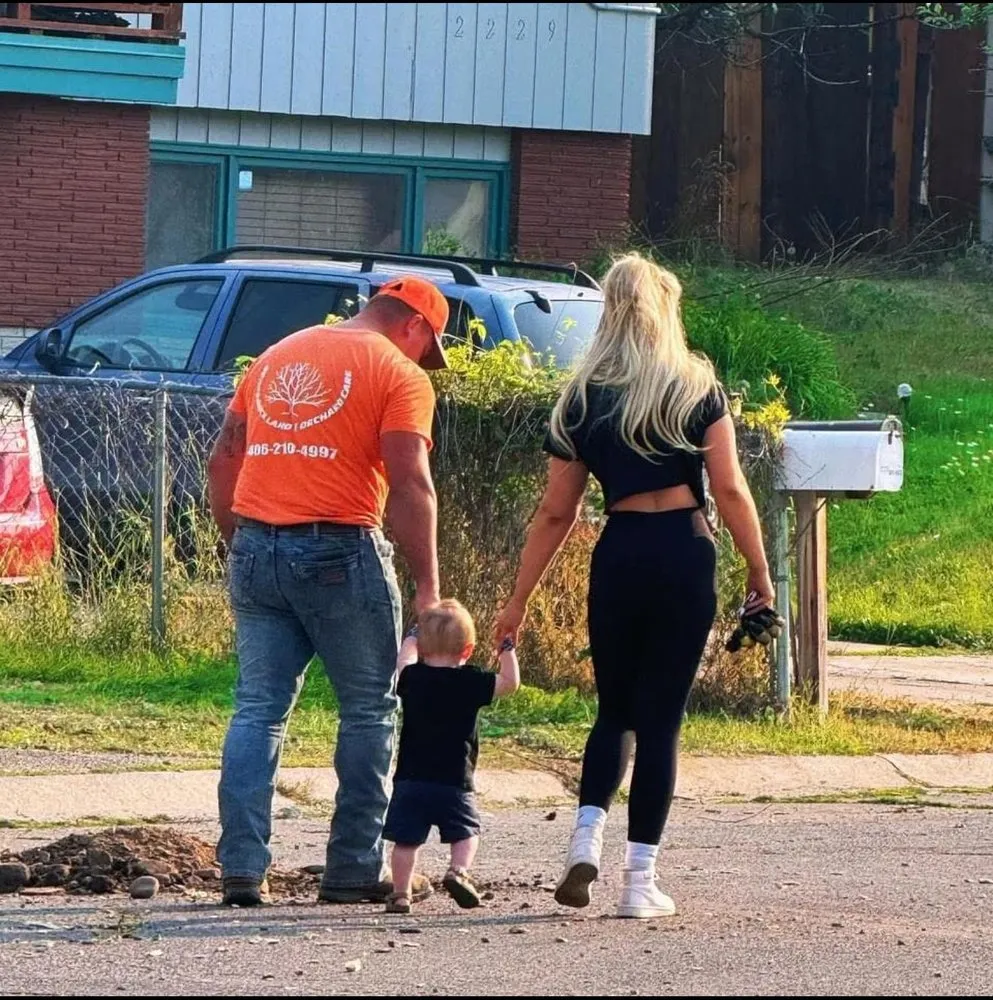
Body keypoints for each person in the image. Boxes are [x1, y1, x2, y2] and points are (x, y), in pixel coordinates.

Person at [493, 253, 777, 920]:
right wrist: (758, 573)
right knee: (661, 723)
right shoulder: (693, 387)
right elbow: (730, 490)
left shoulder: (582, 398)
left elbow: (556, 512)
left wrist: (517, 599)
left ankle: (583, 836)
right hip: (683, 550)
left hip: (617, 552)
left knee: (613, 711)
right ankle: (637, 881)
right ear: (664, 309)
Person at [206, 275, 450, 907]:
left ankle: (241, 868)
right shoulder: (400, 374)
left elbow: (223, 462)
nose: (424, 360)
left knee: (257, 710)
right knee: (369, 709)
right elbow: (410, 483)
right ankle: (350, 870)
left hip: (258, 545)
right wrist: (428, 589)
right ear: (415, 325)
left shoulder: (277, 355)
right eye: (428, 346)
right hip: (341, 550)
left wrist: (243, 540)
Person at [381, 599, 520, 915]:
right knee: (466, 832)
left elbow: (403, 662)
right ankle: (458, 870)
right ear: (467, 649)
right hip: (455, 780)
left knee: (405, 842)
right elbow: (511, 683)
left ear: (423, 648)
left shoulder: (413, 679)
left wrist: (411, 639)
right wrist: (506, 649)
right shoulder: (472, 681)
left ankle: (400, 894)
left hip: (411, 780)